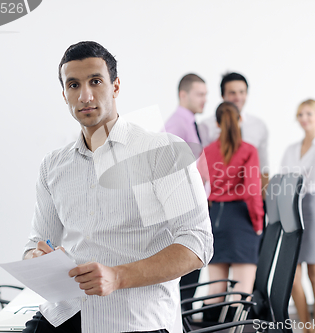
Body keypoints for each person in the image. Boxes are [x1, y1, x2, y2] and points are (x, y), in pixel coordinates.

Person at [22, 41, 213, 333]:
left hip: (131, 319)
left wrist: (117, 277)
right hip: (62, 315)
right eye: (73, 85)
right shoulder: (53, 165)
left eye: (95, 81)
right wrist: (35, 258)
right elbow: (37, 241)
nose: (85, 95)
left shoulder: (163, 152)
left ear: (116, 86)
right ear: (64, 95)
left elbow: (197, 243)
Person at [202, 102, 264, 321]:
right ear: (240, 120)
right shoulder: (248, 150)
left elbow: (201, 189)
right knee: (242, 292)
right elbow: (252, 191)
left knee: (215, 289)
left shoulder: (207, 151)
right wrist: (258, 224)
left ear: (217, 123)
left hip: (214, 219)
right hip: (241, 220)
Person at [280, 99, 315, 333]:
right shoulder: (291, 149)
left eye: (309, 113)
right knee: (292, 276)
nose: (304, 118)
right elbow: (283, 180)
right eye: (300, 114)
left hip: (312, 207)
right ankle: (305, 325)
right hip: (291, 208)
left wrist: (293, 181)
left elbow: (314, 180)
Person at [163, 73, 208, 310]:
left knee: (191, 277)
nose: (205, 100)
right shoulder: (176, 124)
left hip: (191, 206)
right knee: (186, 279)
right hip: (184, 208)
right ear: (183, 94)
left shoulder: (189, 121)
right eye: (200, 94)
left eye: (206, 95)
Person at [199, 73, 270, 199]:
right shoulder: (206, 126)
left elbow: (263, 168)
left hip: (250, 201)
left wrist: (264, 202)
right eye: (232, 93)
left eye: (242, 92)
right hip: (215, 201)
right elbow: (201, 168)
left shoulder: (259, 126)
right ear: (223, 95)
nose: (238, 97)